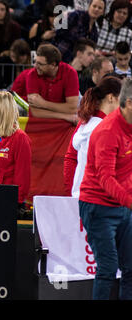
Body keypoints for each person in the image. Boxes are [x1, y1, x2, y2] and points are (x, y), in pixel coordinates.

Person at [78, 77, 132, 300]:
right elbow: (105, 178)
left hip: (123, 206)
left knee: (130, 269)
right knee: (108, 269)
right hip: (97, 206)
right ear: (129, 103)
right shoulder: (107, 131)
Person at [64, 76, 122, 197]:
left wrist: (72, 193)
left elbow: (71, 158)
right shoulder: (103, 128)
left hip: (84, 195)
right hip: (96, 198)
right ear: (111, 98)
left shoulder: (86, 121)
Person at [0, 91, 31, 204]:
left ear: (0, 109)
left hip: (7, 201)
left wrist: (17, 203)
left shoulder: (20, 138)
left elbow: (23, 176)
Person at [27, 44, 80, 124]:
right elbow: (36, 112)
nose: (35, 66)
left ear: (53, 65)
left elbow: (72, 108)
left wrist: (43, 104)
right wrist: (65, 116)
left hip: (63, 126)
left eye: (40, 64)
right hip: (39, 124)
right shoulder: (32, 75)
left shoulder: (70, 73)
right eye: (35, 62)